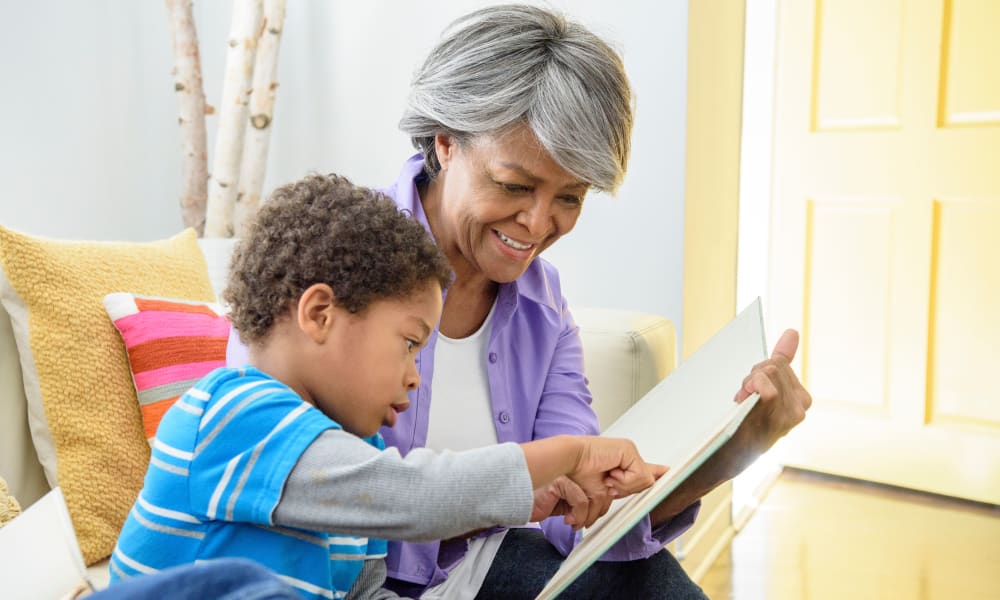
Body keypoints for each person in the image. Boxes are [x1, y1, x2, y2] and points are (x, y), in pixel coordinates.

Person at [229, 5, 812, 599]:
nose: (537, 224)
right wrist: (564, 458)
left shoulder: (542, 300)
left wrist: (731, 452)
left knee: (646, 583)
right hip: (332, 581)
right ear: (446, 142)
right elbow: (335, 483)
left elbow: (576, 521)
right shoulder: (330, 260)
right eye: (513, 186)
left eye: (571, 197)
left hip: (472, 569)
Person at [108, 174, 665, 600]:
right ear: (320, 314)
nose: (415, 375)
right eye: (408, 344)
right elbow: (416, 496)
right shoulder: (232, 416)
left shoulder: (355, 461)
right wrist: (570, 455)